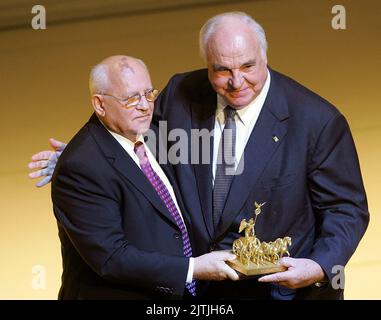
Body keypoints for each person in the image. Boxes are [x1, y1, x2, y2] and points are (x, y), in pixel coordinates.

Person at [29, 12, 369, 299]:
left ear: (265, 56)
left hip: (279, 293)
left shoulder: (317, 121)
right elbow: (128, 121)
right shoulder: (180, 93)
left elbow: (346, 209)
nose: (237, 82)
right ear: (207, 63)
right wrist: (82, 158)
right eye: (222, 69)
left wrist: (320, 265)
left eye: (248, 66)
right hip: (199, 292)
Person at [41, 55, 238, 300]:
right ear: (100, 104)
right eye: (132, 98)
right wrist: (193, 268)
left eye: (149, 93)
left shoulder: (153, 137)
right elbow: (112, 258)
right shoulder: (80, 166)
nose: (145, 105)